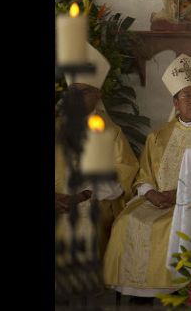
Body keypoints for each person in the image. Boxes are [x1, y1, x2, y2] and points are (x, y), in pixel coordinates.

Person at [103, 54, 191, 298]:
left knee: (167, 226)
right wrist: (151, 193)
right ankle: (134, 292)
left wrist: (178, 194)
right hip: (155, 200)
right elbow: (143, 175)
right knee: (125, 221)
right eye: (186, 96)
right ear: (175, 102)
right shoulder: (158, 136)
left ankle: (174, 290)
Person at [55, 43, 140, 258]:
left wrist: (82, 194)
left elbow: (122, 178)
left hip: (92, 200)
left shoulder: (112, 133)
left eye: (84, 92)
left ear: (98, 94)